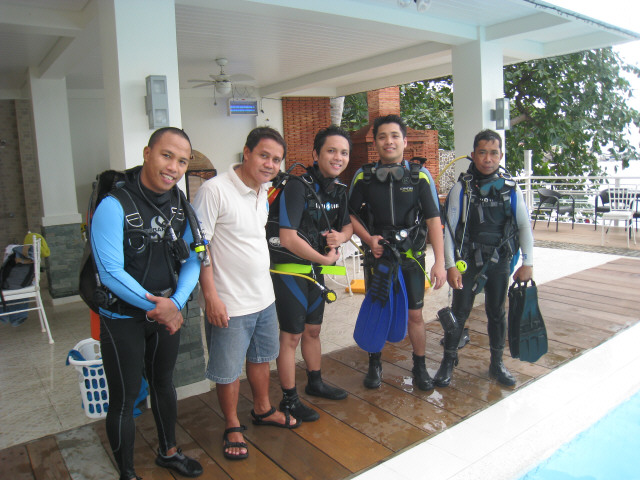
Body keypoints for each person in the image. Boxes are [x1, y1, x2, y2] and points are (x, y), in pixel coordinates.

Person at [91, 127, 204, 480]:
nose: (173, 167)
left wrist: (176, 302)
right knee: (124, 400)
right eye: (166, 155)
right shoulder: (113, 205)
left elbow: (194, 258)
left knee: (164, 384)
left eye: (182, 161)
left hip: (165, 314)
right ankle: (127, 474)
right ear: (147, 153)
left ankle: (168, 452)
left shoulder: (181, 205)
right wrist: (164, 306)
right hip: (121, 317)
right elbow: (110, 273)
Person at [193, 127, 298, 462]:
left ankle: (263, 409)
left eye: (276, 160)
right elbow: (200, 247)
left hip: (263, 296)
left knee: (260, 357)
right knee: (227, 370)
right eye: (264, 155)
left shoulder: (263, 190)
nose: (270, 164)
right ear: (247, 152)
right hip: (229, 302)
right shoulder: (214, 190)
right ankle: (232, 424)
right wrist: (211, 296)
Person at [348, 114, 446, 391]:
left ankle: (420, 366)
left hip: (411, 257)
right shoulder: (364, 177)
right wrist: (369, 239)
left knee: (415, 315)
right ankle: (374, 363)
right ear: (375, 142)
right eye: (382, 136)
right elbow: (349, 215)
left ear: (404, 141)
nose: (388, 141)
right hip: (378, 257)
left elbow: (434, 220)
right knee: (378, 308)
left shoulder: (419, 176)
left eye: (394, 136)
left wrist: (439, 262)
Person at [435, 129, 533, 388]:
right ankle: (448, 361)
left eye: (493, 153)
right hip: (467, 262)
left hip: (499, 262)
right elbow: (449, 231)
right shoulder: (462, 188)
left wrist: (528, 262)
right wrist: (450, 265)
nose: (488, 159)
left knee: (497, 313)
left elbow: (524, 226)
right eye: (482, 153)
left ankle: (497, 363)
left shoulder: (511, 189)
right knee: (459, 311)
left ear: (500, 155)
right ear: (473, 155)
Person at [270, 125, 354, 422]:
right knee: (291, 335)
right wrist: (325, 258)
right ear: (316, 154)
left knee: (313, 330)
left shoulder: (340, 190)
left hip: (316, 270)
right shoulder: (297, 186)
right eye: (331, 151)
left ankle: (315, 382)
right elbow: (288, 237)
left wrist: (341, 238)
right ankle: (289, 400)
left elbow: (347, 226)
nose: (338, 157)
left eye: (344, 152)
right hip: (290, 270)